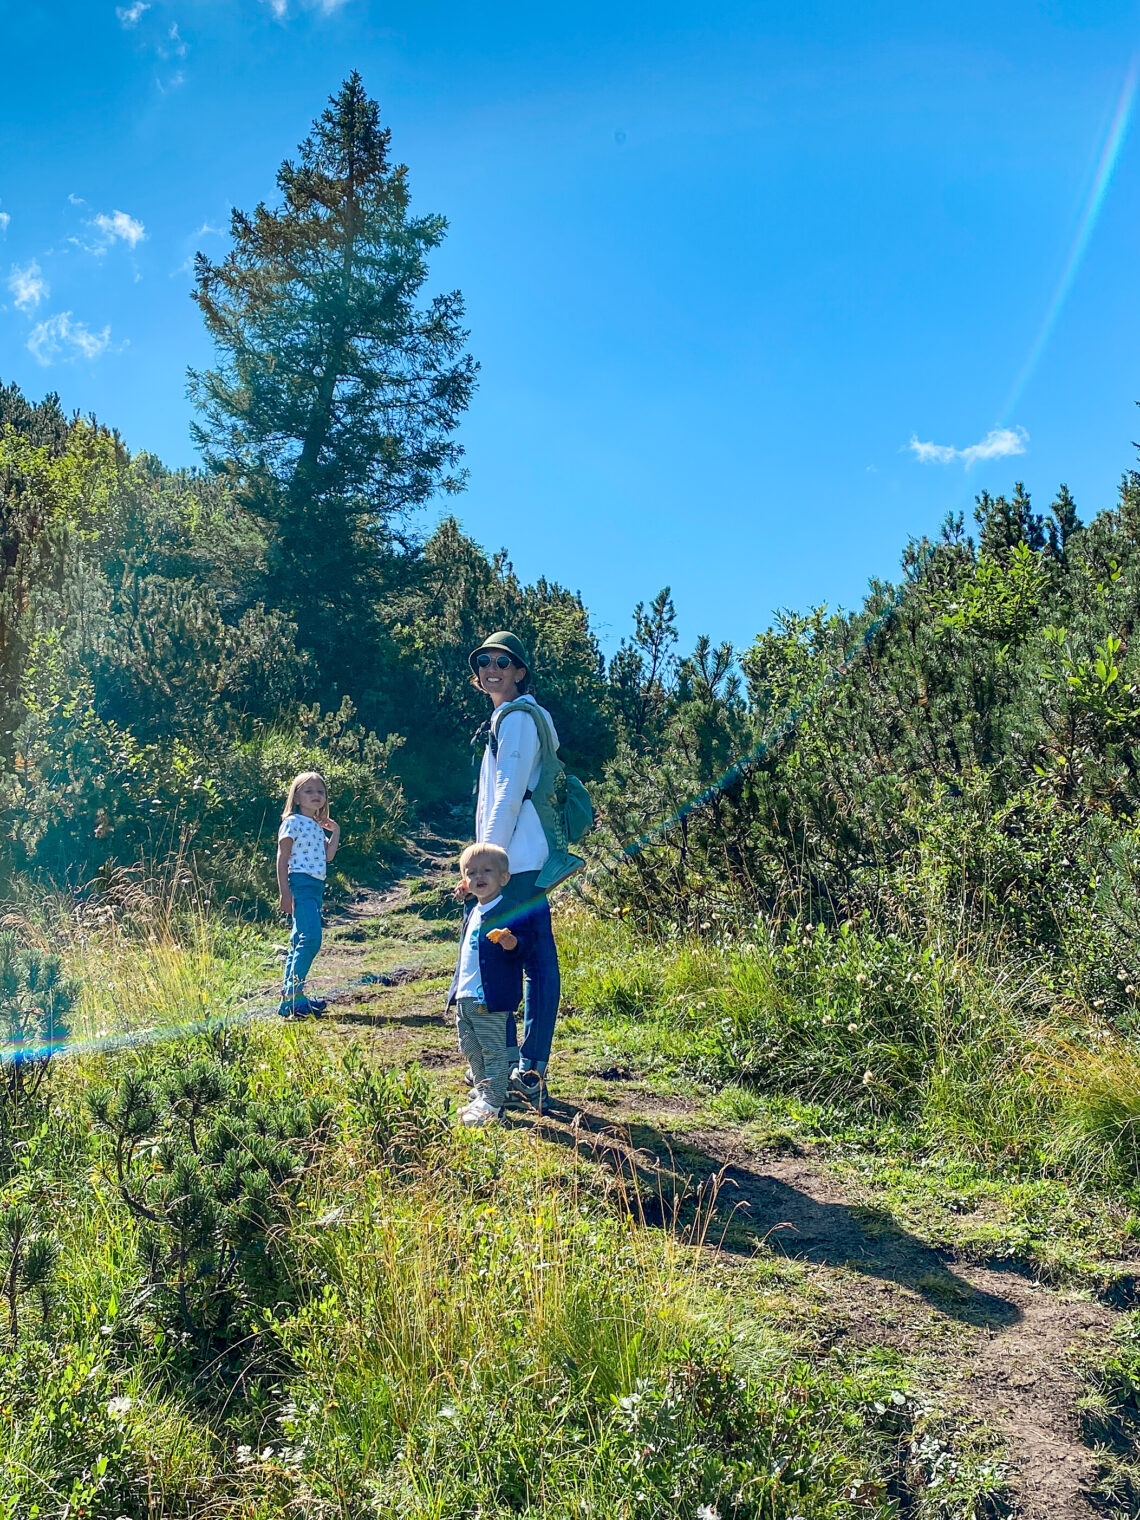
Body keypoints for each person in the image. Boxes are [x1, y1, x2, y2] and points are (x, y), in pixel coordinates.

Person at [468, 631, 561, 1106]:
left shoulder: (519, 719)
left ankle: (519, 1067)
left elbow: (508, 790)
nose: (492, 668)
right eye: (484, 661)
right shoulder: (517, 716)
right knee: (532, 957)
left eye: (503, 662)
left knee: (512, 959)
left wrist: (487, 858)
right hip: (524, 858)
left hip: (515, 862)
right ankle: (526, 1066)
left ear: (520, 671)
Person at [446, 843, 531, 1126]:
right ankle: (484, 1092)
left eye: (487, 871)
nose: (478, 877)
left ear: (504, 878)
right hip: (466, 995)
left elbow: (526, 947)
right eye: (471, 873)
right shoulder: (474, 909)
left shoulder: (509, 909)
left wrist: (513, 943)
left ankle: (494, 1104)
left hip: (489, 997)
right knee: (470, 1045)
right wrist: (466, 900)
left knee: (493, 1050)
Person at [276, 770, 340, 1019]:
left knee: (298, 941)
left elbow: (328, 855)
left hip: (315, 887)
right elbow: (282, 858)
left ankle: (291, 1000)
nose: (316, 795)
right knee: (310, 938)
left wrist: (335, 831)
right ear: (297, 797)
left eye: (321, 792)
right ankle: (293, 997)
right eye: (309, 791)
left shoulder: (315, 825)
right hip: (300, 884)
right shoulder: (292, 822)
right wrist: (284, 892)